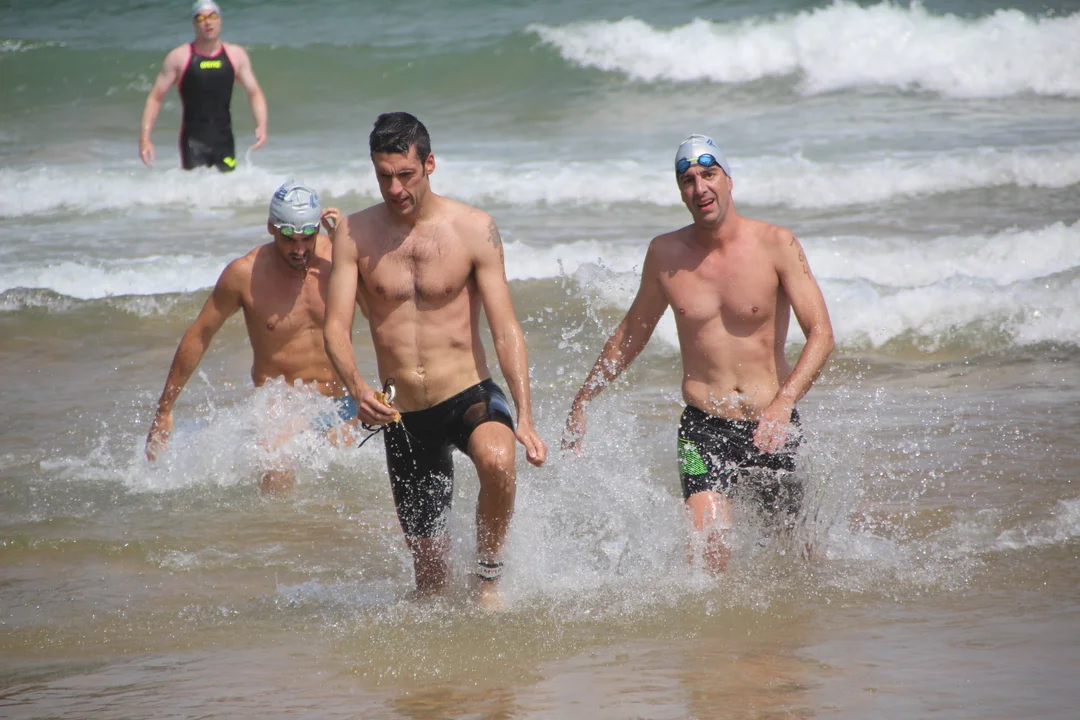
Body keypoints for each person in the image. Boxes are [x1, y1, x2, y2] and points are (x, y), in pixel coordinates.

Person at [564, 134, 834, 572]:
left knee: (797, 557)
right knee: (709, 553)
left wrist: (784, 403)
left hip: (771, 424)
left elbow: (821, 334)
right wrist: (583, 398)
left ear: (728, 180)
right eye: (688, 180)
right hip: (702, 428)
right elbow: (631, 333)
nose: (699, 187)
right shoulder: (665, 254)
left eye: (708, 175)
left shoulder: (776, 244)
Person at [323, 112, 547, 609]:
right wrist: (358, 389)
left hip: (468, 392)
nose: (395, 188)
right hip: (403, 415)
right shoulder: (354, 234)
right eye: (384, 176)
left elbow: (505, 327)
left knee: (498, 459)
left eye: (405, 174)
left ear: (429, 164)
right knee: (429, 586)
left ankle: (488, 578)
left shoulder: (474, 228)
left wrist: (526, 415)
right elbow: (335, 327)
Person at [146, 181, 355, 494]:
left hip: (340, 401)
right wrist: (164, 410)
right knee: (277, 471)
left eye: (307, 238)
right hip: (281, 405)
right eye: (289, 239)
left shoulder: (340, 259)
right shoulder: (244, 274)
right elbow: (200, 334)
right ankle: (269, 527)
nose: (299, 250)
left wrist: (347, 246)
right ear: (271, 227)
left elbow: (384, 309)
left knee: (350, 489)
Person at [138, 1, 267, 172]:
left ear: (220, 20)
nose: (208, 22)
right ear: (194, 23)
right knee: (196, 188)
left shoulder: (235, 55)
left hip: (224, 141)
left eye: (212, 16)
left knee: (227, 186)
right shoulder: (179, 57)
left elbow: (254, 92)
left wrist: (261, 125)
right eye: (201, 18)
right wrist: (145, 138)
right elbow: (155, 97)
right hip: (193, 142)